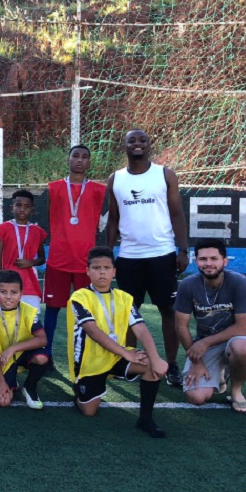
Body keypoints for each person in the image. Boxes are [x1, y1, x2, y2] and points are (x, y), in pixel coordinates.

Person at [105, 129, 188, 388]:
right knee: (129, 313)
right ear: (125, 146)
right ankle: (132, 362)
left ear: (149, 145)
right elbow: (113, 220)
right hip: (129, 257)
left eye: (142, 140)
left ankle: (171, 364)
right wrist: (108, 254)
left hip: (162, 254)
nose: (137, 144)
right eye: (131, 140)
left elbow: (177, 213)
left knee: (168, 311)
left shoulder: (165, 174)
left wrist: (183, 250)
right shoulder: (115, 179)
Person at [68, 246, 168, 438]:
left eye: (106, 268)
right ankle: (79, 392)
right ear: (88, 271)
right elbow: (93, 331)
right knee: (89, 411)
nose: (102, 272)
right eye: (96, 268)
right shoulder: (79, 297)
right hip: (91, 361)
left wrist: (155, 358)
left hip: (118, 355)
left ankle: (145, 419)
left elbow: (140, 328)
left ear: (114, 272)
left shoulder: (124, 298)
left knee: (151, 366)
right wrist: (125, 353)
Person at [175, 238, 246, 413]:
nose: (208, 263)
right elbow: (181, 326)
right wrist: (196, 361)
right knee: (196, 397)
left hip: (235, 338)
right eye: (203, 259)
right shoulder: (187, 285)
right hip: (206, 343)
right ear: (196, 261)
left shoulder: (239, 282)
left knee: (242, 348)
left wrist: (205, 343)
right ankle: (219, 372)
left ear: (224, 261)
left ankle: (236, 390)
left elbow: (243, 327)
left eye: (214, 258)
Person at [43, 144, 107, 363]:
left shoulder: (99, 190)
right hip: (58, 259)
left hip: (85, 262)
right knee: (52, 309)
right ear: (68, 159)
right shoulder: (54, 188)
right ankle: (46, 353)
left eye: (84, 157)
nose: (80, 160)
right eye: (75, 156)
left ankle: (86, 355)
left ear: (89, 162)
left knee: (86, 311)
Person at [0, 270, 49, 410]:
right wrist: (1, 381)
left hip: (21, 353)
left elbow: (43, 340)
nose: (8, 297)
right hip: (1, 359)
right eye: (3, 292)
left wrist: (13, 348)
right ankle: (10, 381)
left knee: (42, 358)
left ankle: (29, 387)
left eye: (14, 292)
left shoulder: (28, 311)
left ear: (21, 294)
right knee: (3, 402)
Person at [0, 189, 47, 310]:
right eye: (18, 205)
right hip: (8, 282)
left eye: (27, 206)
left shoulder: (37, 231)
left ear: (32, 210)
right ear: (11, 208)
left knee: (31, 318)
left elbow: (42, 258)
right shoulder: (3, 228)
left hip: (29, 283)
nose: (22, 209)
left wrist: (30, 262)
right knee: (7, 317)